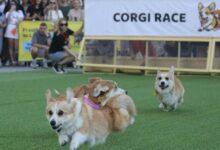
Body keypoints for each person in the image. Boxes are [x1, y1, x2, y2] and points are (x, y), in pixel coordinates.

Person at [4, 0, 24, 65]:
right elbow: (7, 19)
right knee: (10, 45)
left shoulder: (19, 12)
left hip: (16, 28)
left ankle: (16, 59)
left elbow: (21, 19)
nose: (13, 5)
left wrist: (18, 21)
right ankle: (12, 60)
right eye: (11, 4)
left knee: (16, 46)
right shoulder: (7, 12)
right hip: (10, 28)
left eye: (14, 4)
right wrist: (10, 11)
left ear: (16, 5)